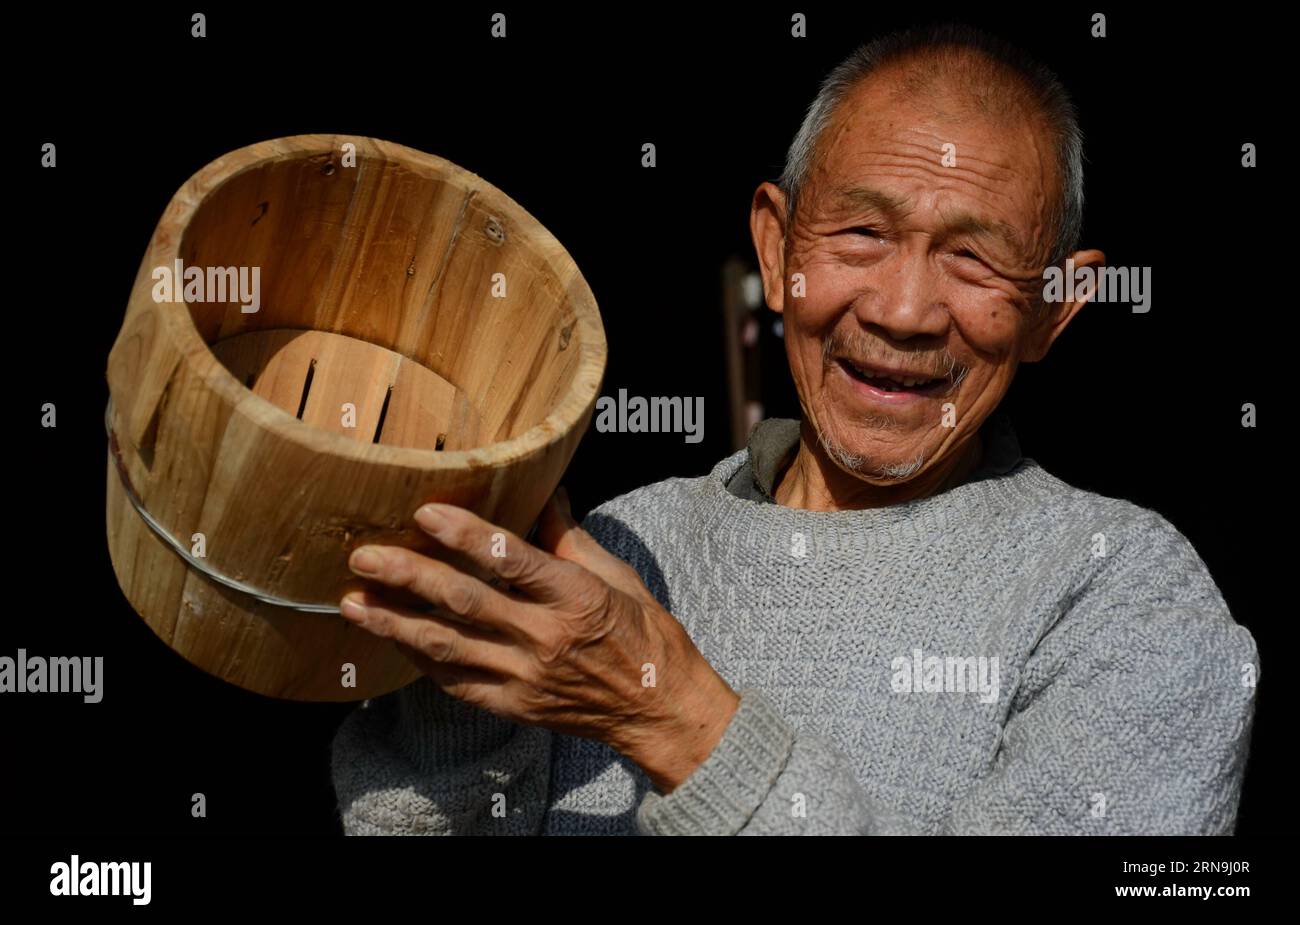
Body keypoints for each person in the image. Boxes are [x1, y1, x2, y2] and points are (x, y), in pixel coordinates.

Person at [328, 23, 1257, 835]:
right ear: (776, 251)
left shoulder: (1122, 592)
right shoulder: (621, 548)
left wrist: (672, 714)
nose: (903, 311)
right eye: (860, 234)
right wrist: (450, 666)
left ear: (1055, 306)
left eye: (973, 258)